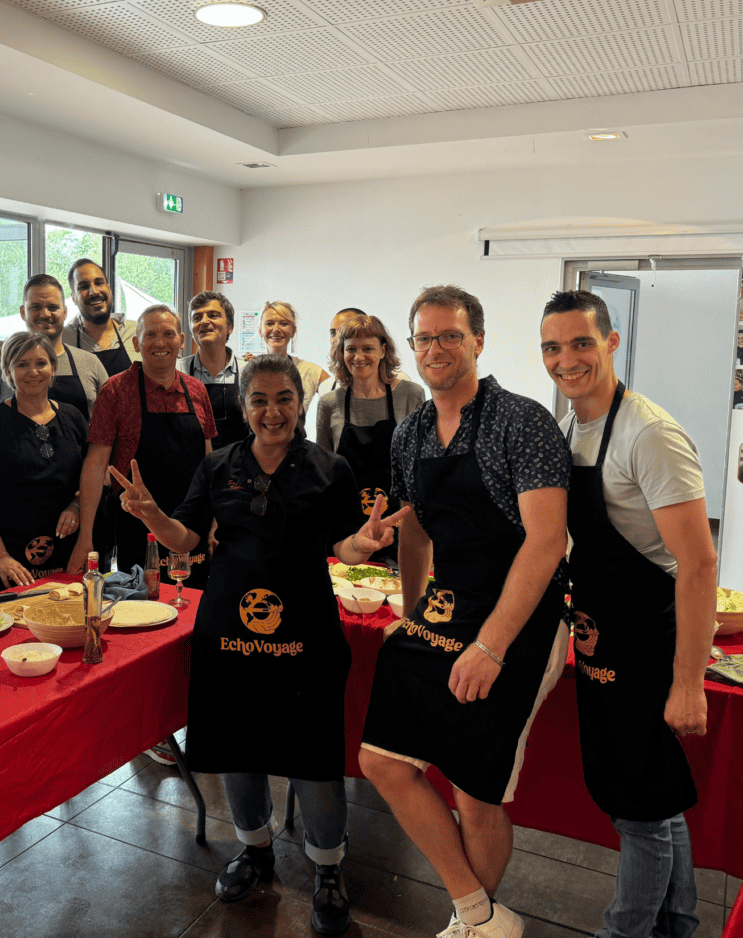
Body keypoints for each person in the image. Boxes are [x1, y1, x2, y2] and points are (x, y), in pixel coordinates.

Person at [109, 353, 404, 937]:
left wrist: (364, 543)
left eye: (284, 399)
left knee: (314, 759)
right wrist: (152, 516)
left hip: (307, 631)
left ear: (299, 403)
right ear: (243, 407)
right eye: (259, 400)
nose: (273, 411)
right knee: (237, 749)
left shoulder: (329, 468)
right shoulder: (218, 467)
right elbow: (187, 538)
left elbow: (342, 547)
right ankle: (255, 850)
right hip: (228, 631)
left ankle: (326, 868)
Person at [358, 285, 571, 938]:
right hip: (442, 612)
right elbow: (416, 527)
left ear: (478, 340)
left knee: (475, 797)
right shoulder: (411, 431)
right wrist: (409, 602)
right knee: (381, 761)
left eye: (451, 335)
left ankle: (471, 921)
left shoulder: (522, 420)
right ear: (412, 347)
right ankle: (479, 912)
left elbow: (547, 539)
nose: (437, 348)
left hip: (519, 620)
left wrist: (492, 645)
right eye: (425, 337)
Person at [540, 289, 716, 938]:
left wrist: (688, 682)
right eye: (553, 348)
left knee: (639, 810)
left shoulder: (649, 433)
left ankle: (627, 930)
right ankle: (678, 923)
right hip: (601, 633)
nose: (566, 360)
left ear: (612, 342)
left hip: (649, 638)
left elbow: (698, 565)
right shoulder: (568, 431)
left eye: (581, 343)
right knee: (648, 795)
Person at [68, 305, 216, 584]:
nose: (160, 343)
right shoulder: (114, 391)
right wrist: (86, 535)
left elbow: (210, 463)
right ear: (137, 343)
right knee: (143, 606)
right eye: (150, 335)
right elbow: (95, 464)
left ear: (182, 340)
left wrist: (215, 521)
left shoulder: (197, 390)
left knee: (194, 603)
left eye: (168, 334)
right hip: (136, 524)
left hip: (192, 522)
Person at [0, 332, 88, 589]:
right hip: (10, 558)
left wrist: (76, 504)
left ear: (53, 368)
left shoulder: (73, 417)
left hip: (67, 554)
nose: (33, 371)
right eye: (22, 364)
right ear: (8, 371)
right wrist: (0, 557)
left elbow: (93, 476)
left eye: (41, 363)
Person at [315, 315, 424, 561]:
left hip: (397, 521)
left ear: (383, 350)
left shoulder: (411, 395)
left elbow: (420, 467)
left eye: (368, 348)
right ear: (341, 353)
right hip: (346, 524)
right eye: (351, 349)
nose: (358, 356)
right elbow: (322, 472)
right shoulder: (330, 403)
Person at [0, 273, 107, 421]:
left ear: (65, 312)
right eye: (36, 307)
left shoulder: (89, 362)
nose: (45, 314)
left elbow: (110, 421)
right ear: (23, 312)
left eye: (53, 307)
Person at [178, 290, 246, 451]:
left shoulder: (249, 373)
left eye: (213, 315)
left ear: (230, 327)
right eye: (197, 317)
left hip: (239, 468)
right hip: (192, 469)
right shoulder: (176, 371)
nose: (204, 321)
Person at [243, 301, 327, 413]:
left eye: (284, 324)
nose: (276, 329)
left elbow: (339, 394)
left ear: (293, 331)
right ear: (260, 331)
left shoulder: (308, 370)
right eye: (269, 323)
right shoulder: (248, 367)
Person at [61, 258, 139, 377]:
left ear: (109, 289)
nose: (94, 291)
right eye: (83, 286)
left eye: (99, 283)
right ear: (74, 298)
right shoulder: (63, 340)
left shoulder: (137, 332)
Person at [316, 307, 366, 399]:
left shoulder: (396, 384)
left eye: (343, 331)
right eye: (333, 333)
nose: (336, 339)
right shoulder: (326, 388)